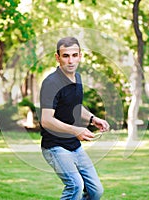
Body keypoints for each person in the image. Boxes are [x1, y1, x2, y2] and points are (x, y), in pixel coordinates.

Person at [40, 36, 110, 200]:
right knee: (75, 186)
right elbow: (46, 120)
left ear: (80, 56)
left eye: (74, 55)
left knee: (96, 191)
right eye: (65, 56)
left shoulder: (77, 78)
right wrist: (75, 130)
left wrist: (93, 119)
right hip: (55, 146)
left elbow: (75, 107)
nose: (70, 60)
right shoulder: (51, 83)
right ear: (58, 57)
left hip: (74, 145)